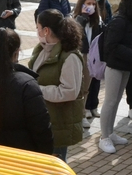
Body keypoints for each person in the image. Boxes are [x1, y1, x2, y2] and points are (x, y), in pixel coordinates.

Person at [29, 9, 89, 161]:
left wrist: (37, 90)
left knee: (54, 170)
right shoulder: (41, 49)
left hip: (58, 125)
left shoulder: (70, 57)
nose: (37, 31)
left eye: (38, 27)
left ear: (46, 30)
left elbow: (69, 91)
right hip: (43, 120)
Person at [99, 0, 132, 154]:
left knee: (116, 100)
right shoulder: (119, 21)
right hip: (115, 65)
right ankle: (104, 137)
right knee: (110, 101)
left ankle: (110, 132)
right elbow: (111, 46)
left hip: (126, 65)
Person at [75, 0, 104, 123]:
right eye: (88, 4)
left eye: (93, 4)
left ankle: (82, 113)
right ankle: (77, 114)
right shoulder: (75, 19)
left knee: (86, 87)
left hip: (91, 57)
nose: (91, 6)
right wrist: (83, 17)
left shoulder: (97, 21)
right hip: (78, 55)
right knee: (77, 87)